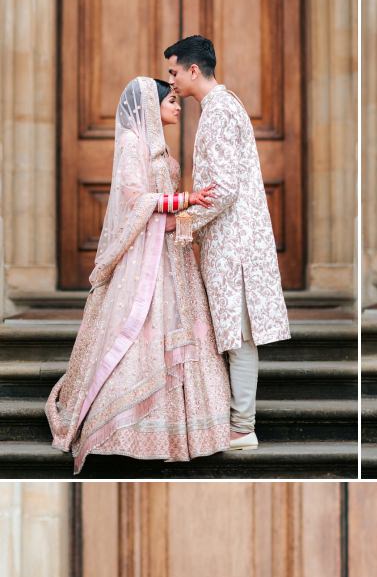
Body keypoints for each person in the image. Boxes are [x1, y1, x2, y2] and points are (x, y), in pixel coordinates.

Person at [45, 78, 231, 472]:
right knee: (141, 330)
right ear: (152, 105)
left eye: (179, 99)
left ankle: (185, 430)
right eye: (172, 101)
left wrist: (183, 213)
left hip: (170, 253)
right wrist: (186, 199)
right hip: (146, 256)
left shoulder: (157, 145)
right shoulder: (133, 142)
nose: (178, 107)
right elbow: (134, 196)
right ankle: (123, 426)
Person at [166, 36, 291, 451]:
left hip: (234, 242)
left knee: (237, 336)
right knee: (233, 334)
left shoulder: (218, 110)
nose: (172, 81)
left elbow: (222, 189)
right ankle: (238, 421)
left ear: (193, 70)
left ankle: (242, 426)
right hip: (233, 238)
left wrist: (185, 219)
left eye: (174, 71)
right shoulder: (223, 105)